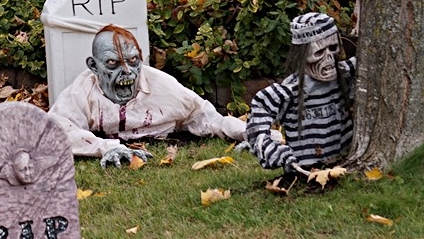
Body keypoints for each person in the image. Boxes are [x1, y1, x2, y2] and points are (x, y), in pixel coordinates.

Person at [48, 24, 247, 167]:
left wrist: (251, 134)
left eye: (133, 60)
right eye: (112, 63)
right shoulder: (82, 90)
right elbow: (55, 131)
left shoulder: (163, 86)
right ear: (94, 66)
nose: (127, 71)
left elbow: (210, 119)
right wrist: (105, 147)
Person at [246, 13, 356, 174]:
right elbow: (258, 117)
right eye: (319, 52)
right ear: (303, 55)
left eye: (333, 48)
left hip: (344, 163)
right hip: (306, 171)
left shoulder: (345, 75)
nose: (329, 58)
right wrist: (270, 149)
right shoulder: (289, 91)